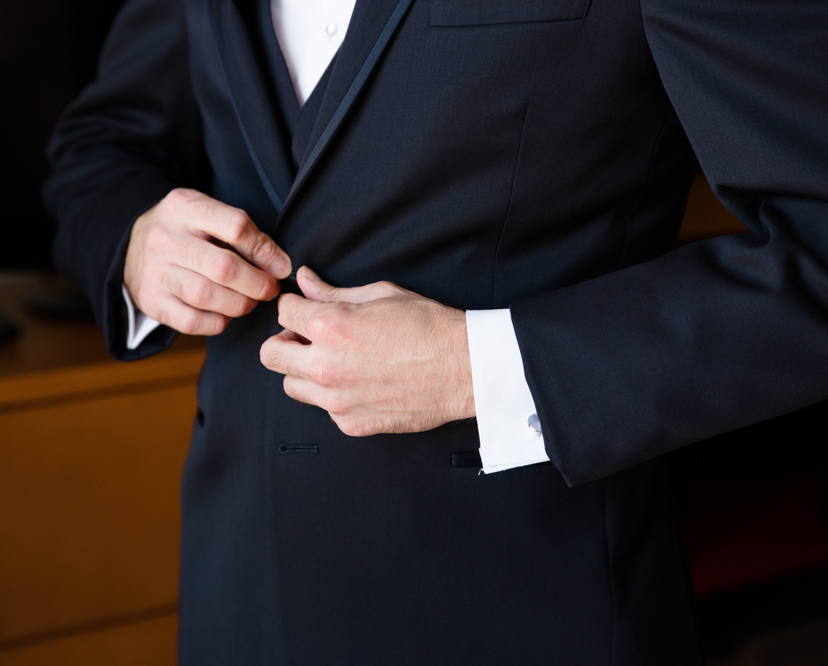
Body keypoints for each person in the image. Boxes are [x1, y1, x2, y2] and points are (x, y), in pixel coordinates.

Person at [44, 0, 828, 663]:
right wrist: (137, 242)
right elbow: (103, 146)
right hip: (239, 588)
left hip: (527, 606)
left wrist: (476, 367)